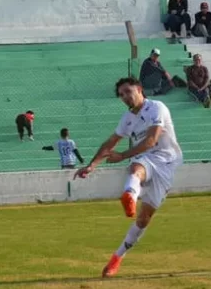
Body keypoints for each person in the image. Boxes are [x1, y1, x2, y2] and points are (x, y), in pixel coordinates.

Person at [74, 77, 183, 278]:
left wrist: (122, 155)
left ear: (140, 89)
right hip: (146, 159)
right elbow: (111, 141)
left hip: (166, 162)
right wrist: (92, 165)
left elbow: (151, 141)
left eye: (127, 91)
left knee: (144, 219)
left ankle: (118, 255)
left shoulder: (156, 107)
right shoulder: (127, 119)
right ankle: (130, 196)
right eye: (121, 94)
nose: (124, 96)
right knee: (136, 168)